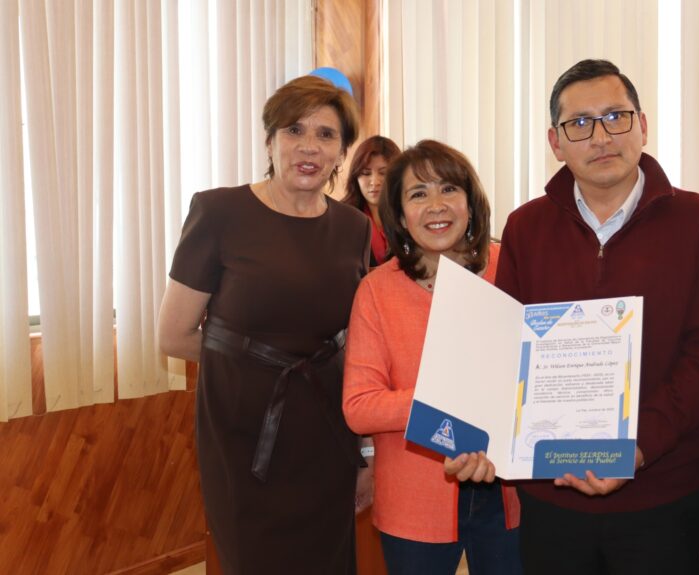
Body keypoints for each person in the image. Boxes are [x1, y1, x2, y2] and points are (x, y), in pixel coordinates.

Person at [495, 59, 699, 574]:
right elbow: (506, 352)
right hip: (552, 493)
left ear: (642, 125)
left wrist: (637, 448)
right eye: (579, 123)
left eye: (616, 117)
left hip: (662, 491)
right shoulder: (524, 228)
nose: (601, 136)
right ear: (555, 142)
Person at [157, 75, 371, 574]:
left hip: (327, 431)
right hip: (243, 430)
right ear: (270, 140)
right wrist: (254, 366)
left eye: (326, 134)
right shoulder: (218, 211)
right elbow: (174, 335)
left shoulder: (354, 227)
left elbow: (356, 343)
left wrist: (368, 453)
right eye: (294, 130)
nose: (309, 146)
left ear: (342, 152)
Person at [342, 139, 522, 575]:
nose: (436, 206)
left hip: (509, 490)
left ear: (471, 204)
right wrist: (444, 398)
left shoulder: (512, 269)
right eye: (418, 194)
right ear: (400, 214)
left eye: (449, 189)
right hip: (415, 496)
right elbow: (359, 407)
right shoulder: (377, 290)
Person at [342, 135, 401, 265]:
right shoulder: (342, 218)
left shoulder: (409, 215)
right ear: (355, 176)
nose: (374, 182)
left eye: (383, 173)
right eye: (366, 173)